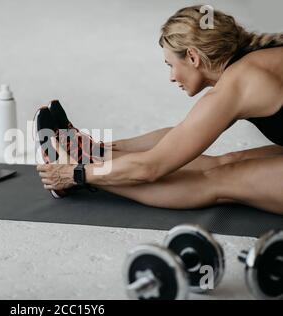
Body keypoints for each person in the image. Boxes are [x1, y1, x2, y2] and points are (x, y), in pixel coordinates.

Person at [36, 6, 283, 214]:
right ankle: (89, 155)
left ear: (193, 57)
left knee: (221, 178)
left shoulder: (238, 84)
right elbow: (180, 136)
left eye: (170, 65)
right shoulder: (253, 61)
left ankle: (78, 172)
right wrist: (102, 148)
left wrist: (77, 174)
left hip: (95, 172)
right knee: (229, 160)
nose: (171, 77)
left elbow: (150, 168)